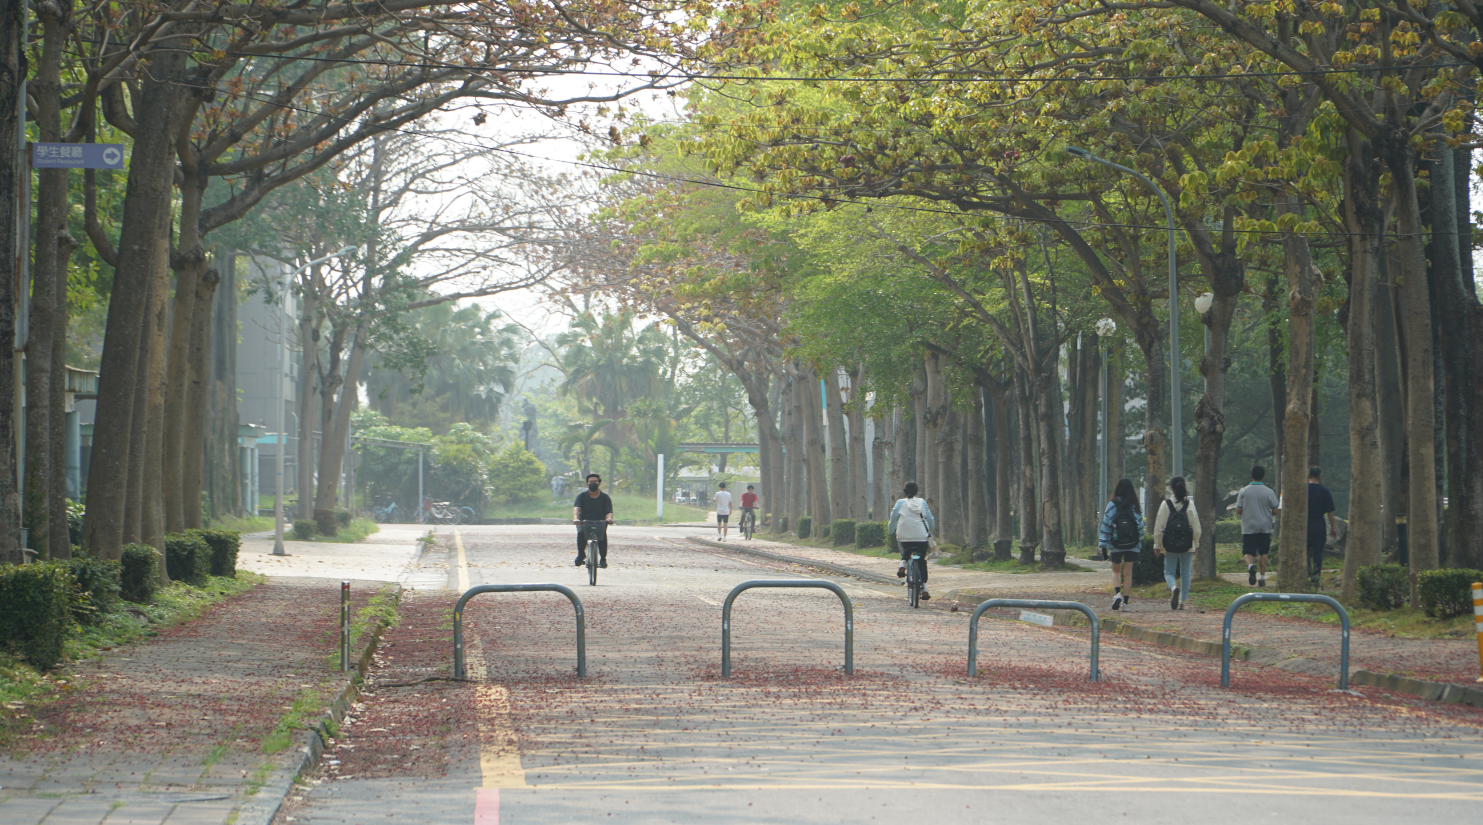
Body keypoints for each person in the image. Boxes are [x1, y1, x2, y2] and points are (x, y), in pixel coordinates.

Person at [1152, 475, 1202, 611]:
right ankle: (1182, 602)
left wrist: (1157, 545)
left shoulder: (1165, 504)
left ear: (1171, 488)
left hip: (1170, 543)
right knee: (1186, 572)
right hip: (1187, 543)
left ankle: (1173, 587)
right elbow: (1196, 527)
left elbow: (1158, 526)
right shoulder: (1190, 504)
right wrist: (1195, 543)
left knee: (1169, 571)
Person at [1099, 478, 1144, 611]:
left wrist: (1103, 543)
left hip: (1116, 542)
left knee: (1116, 570)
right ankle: (1125, 603)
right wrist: (1139, 542)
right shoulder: (1134, 505)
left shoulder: (1112, 504)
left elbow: (1106, 524)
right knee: (1128, 573)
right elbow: (1140, 526)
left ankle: (1117, 593)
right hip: (1132, 543)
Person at [887, 481, 936, 601]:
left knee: (907, 548)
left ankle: (903, 563)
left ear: (904, 492)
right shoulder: (922, 502)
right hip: (921, 536)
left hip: (904, 535)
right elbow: (930, 519)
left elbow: (893, 519)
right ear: (917, 491)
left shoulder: (900, 503)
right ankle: (924, 588)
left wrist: (891, 531)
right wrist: (931, 529)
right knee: (922, 560)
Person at [1235, 465, 1281, 587]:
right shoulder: (1269, 491)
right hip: (1265, 526)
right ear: (1263, 476)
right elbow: (1275, 511)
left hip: (1249, 526)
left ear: (1251, 476)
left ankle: (1251, 567)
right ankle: (1261, 577)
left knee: (1248, 552)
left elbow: (1238, 510)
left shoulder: (1244, 491)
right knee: (1263, 553)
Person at [572, 473, 614, 568]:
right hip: (584, 522)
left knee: (602, 537)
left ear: (599, 483)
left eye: (595, 481)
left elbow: (609, 511)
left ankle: (603, 558)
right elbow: (577, 508)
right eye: (591, 482)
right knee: (581, 534)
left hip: (600, 522)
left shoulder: (605, 497)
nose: (593, 484)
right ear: (587, 484)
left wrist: (609, 518)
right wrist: (576, 518)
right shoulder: (582, 496)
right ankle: (581, 554)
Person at [1306, 466, 1338, 588]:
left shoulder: (1304, 490)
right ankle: (1315, 578)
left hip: (1306, 524)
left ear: (1308, 476)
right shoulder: (1325, 492)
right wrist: (1333, 527)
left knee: (1304, 550)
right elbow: (1330, 512)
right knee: (1318, 553)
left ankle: (1307, 568)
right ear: (1320, 477)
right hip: (1319, 523)